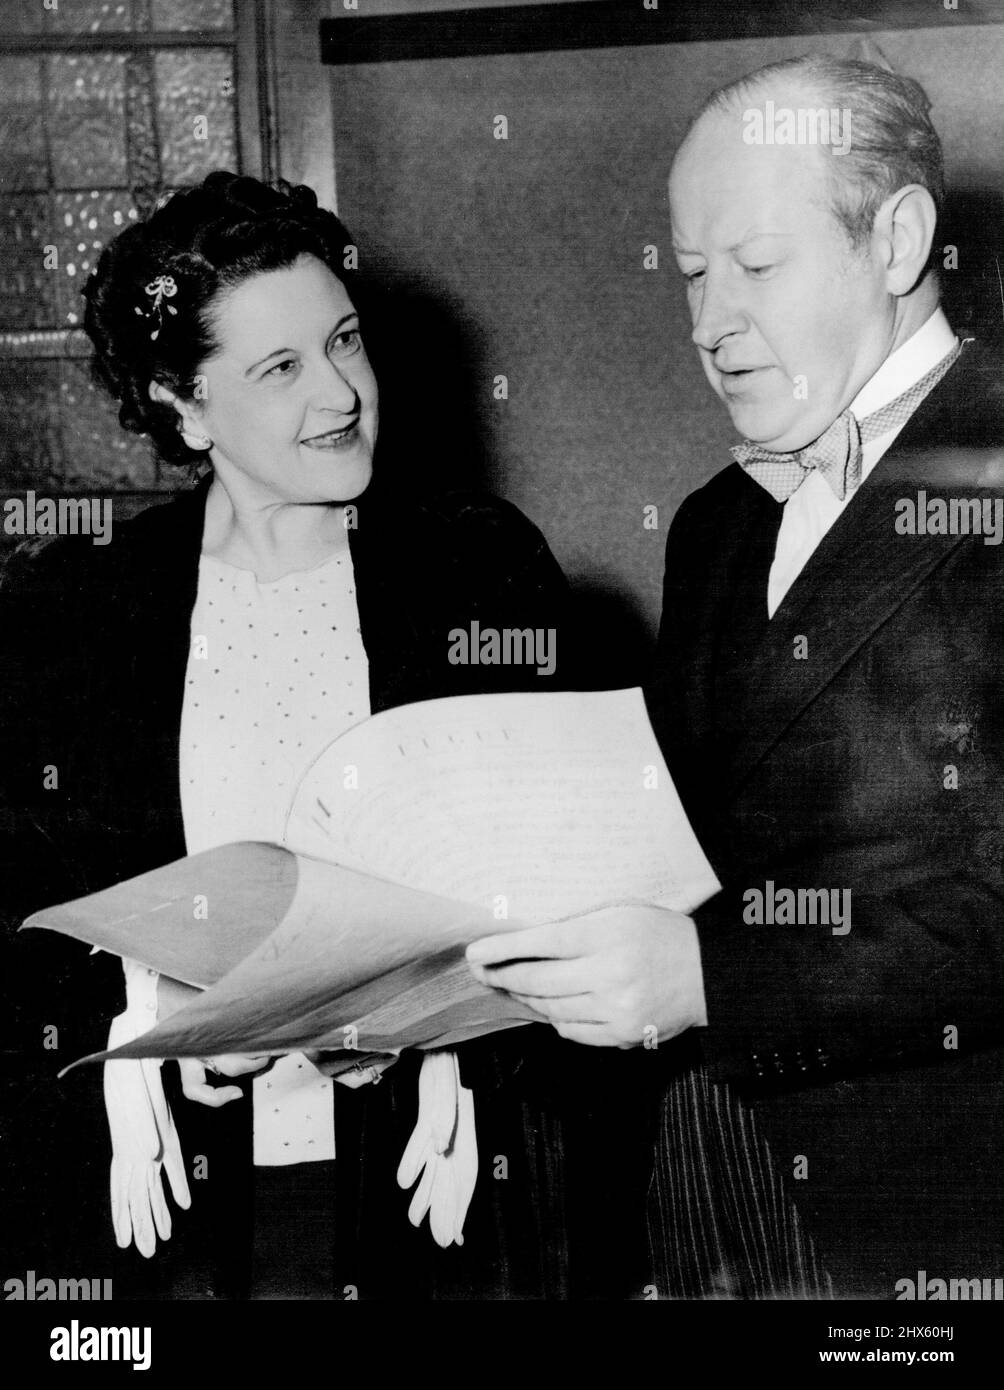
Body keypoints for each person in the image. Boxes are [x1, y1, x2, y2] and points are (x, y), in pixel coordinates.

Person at [0, 170, 615, 1302]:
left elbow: (584, 877)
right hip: (181, 1211)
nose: (339, 393)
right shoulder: (78, 619)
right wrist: (136, 1024)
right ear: (180, 405)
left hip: (433, 1189)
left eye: (344, 341)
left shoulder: (476, 568)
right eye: (279, 368)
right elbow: (24, 921)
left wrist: (469, 1033)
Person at [467, 55, 1004, 1299]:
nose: (708, 325)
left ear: (898, 239)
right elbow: (673, 840)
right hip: (708, 1184)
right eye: (694, 276)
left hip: (948, 1209)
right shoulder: (716, 520)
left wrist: (715, 977)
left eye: (756, 268)